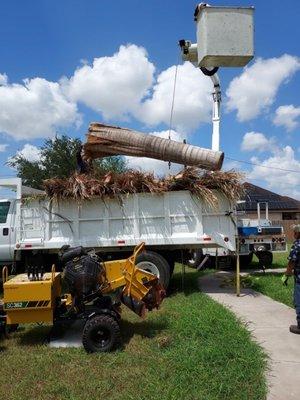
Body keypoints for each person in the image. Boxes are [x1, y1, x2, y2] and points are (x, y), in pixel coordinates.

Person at [285, 224, 300, 334]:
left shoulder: (297, 244)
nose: (293, 234)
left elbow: (292, 262)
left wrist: (287, 274)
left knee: (298, 300)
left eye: (295, 232)